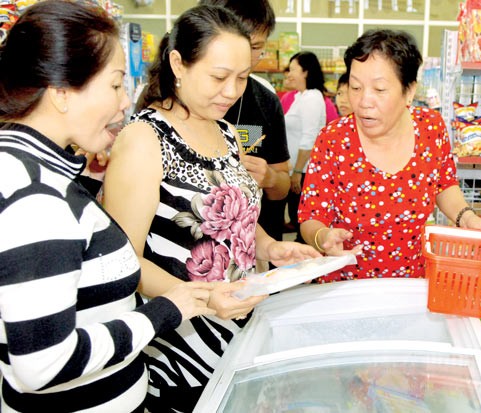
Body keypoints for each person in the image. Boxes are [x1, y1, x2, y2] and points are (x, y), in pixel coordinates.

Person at [0, 1, 217, 411]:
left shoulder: (34, 170)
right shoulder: (37, 198)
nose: (124, 103)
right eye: (116, 84)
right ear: (62, 92)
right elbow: (42, 365)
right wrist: (163, 313)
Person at [102, 5, 320, 412]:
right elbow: (122, 261)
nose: (231, 92)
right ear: (178, 64)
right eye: (219, 77)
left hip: (238, 331)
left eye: (241, 78)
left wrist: (272, 248)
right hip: (180, 347)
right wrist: (204, 297)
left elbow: (235, 218)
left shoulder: (225, 133)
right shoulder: (144, 139)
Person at [298, 29, 481, 281]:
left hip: (411, 284)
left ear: (409, 91)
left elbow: (443, 184)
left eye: (379, 89)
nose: (364, 101)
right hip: (345, 287)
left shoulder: (431, 129)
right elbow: (311, 217)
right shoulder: (333, 139)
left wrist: (465, 217)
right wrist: (323, 237)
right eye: (355, 87)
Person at [201, 0, 291, 248]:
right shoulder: (168, 105)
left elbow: (283, 185)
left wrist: (270, 177)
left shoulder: (266, 100)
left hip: (254, 252)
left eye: (255, 47)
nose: (245, 57)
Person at [284, 51, 327, 240]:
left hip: (305, 171)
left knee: (302, 220)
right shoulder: (299, 98)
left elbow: (309, 138)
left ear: (306, 72)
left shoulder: (312, 98)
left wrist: (297, 173)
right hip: (296, 169)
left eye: (293, 69)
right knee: (296, 217)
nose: (288, 74)